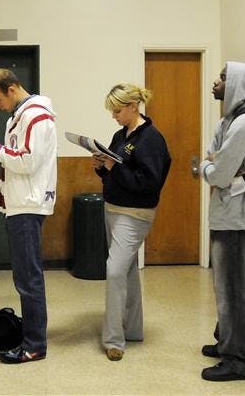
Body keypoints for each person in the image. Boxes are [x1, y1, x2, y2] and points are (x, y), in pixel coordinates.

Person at [0, 68, 57, 364]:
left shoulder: (36, 115)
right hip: (19, 204)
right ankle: (31, 337)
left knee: (28, 278)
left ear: (11, 88)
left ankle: (34, 345)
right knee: (25, 275)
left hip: (28, 205)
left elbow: (27, 161)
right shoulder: (19, 116)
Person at [92, 83, 171, 361]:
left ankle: (114, 340)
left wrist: (115, 168)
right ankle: (133, 329)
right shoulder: (120, 134)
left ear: (133, 106)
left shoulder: (151, 139)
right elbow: (117, 173)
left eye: (117, 110)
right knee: (126, 272)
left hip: (134, 214)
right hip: (113, 208)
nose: (113, 115)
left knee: (114, 270)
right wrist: (103, 168)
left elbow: (149, 183)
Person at [199, 62, 245, 382]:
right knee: (225, 290)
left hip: (238, 220)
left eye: (224, 78)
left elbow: (219, 171)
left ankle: (239, 360)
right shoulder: (229, 121)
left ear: (238, 84)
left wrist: (212, 167)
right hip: (226, 215)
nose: (217, 81)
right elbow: (210, 159)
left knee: (238, 291)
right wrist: (211, 166)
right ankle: (227, 343)